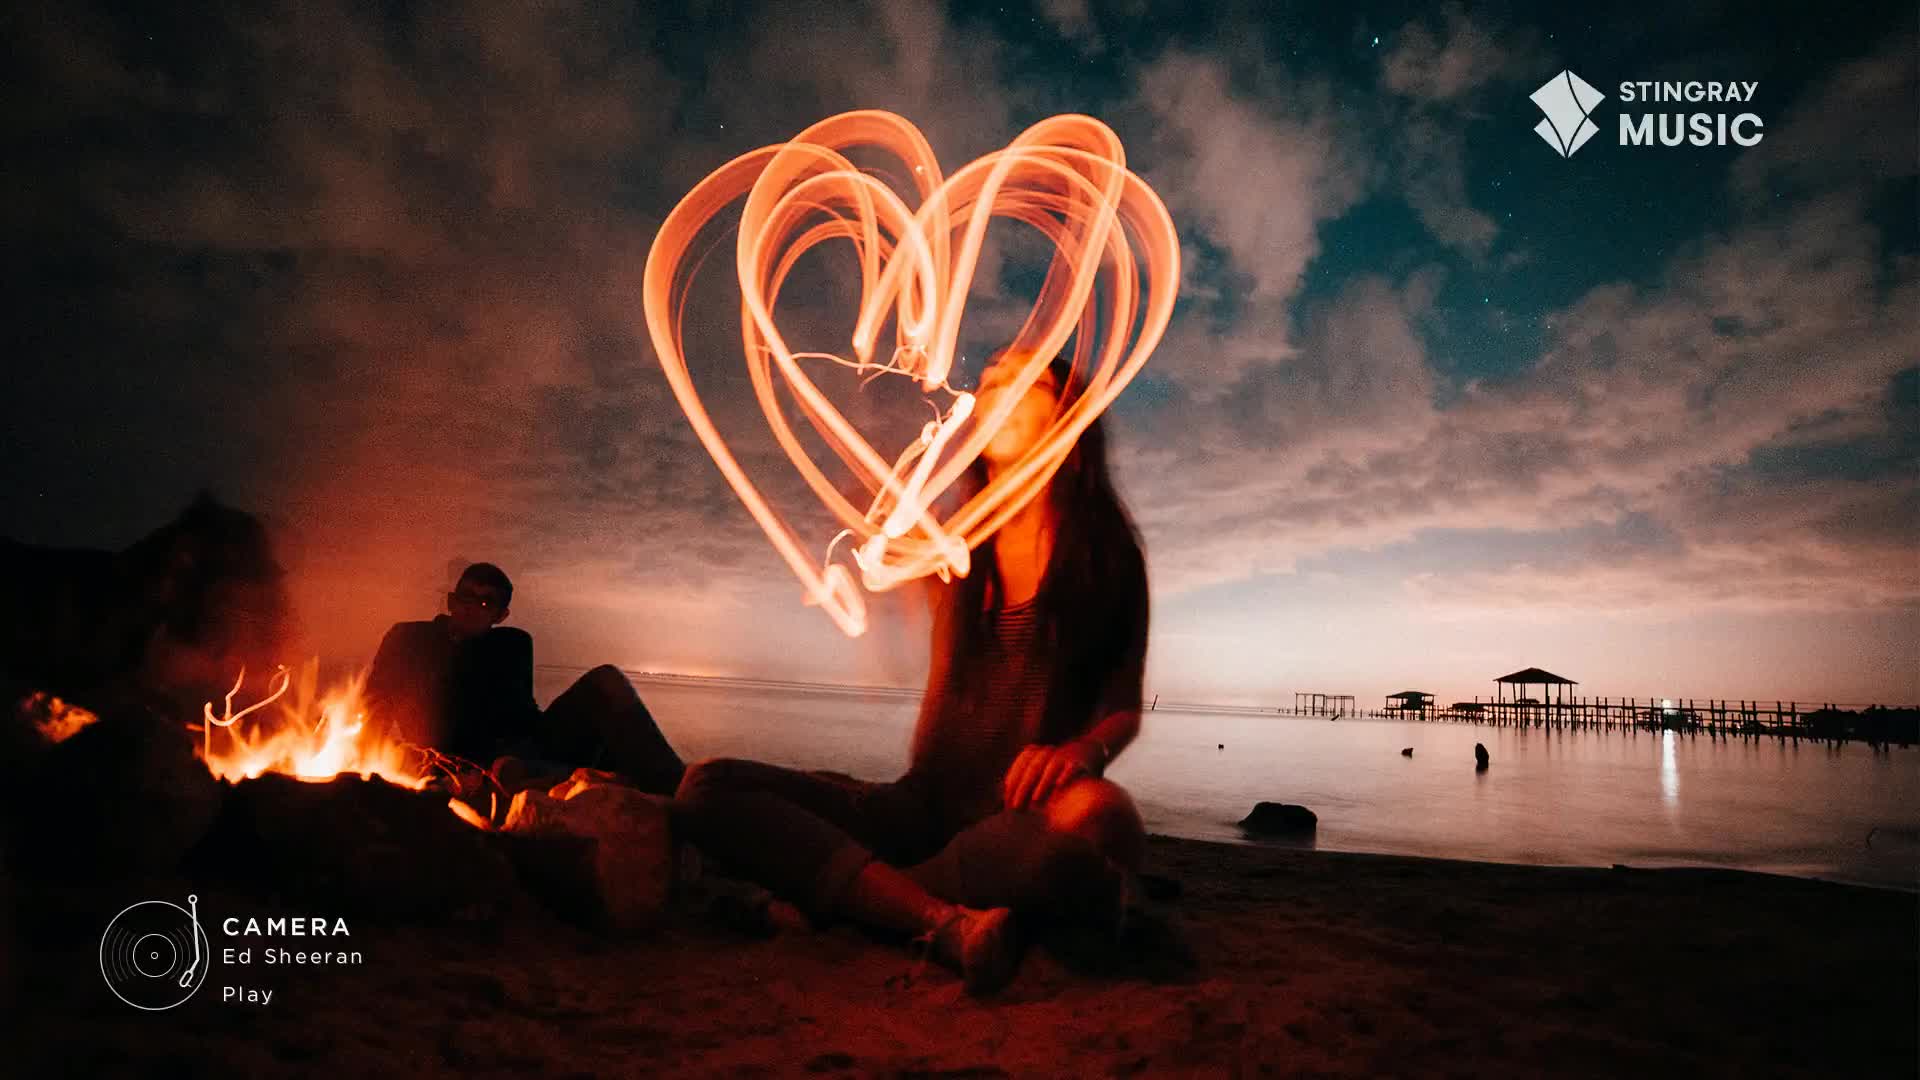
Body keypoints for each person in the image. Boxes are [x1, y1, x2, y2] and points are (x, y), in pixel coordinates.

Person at [673, 349, 1151, 994]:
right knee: (708, 788)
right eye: (988, 380)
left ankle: (856, 895)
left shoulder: (1107, 560)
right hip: (918, 807)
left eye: (1025, 378)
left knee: (1102, 817)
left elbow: (1123, 705)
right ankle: (927, 912)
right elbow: (879, 561)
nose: (994, 387)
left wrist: (1083, 750)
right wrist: (865, 530)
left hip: (1017, 817)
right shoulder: (950, 546)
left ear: (1069, 417)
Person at [365, 562, 685, 797]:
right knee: (515, 771)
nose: (470, 608)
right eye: (463, 597)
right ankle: (630, 783)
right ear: (450, 601)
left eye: (485, 602)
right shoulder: (409, 638)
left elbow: (519, 714)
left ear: (500, 615)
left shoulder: (512, 643)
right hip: (471, 760)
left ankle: (681, 790)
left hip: (529, 745)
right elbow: (374, 704)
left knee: (606, 681)